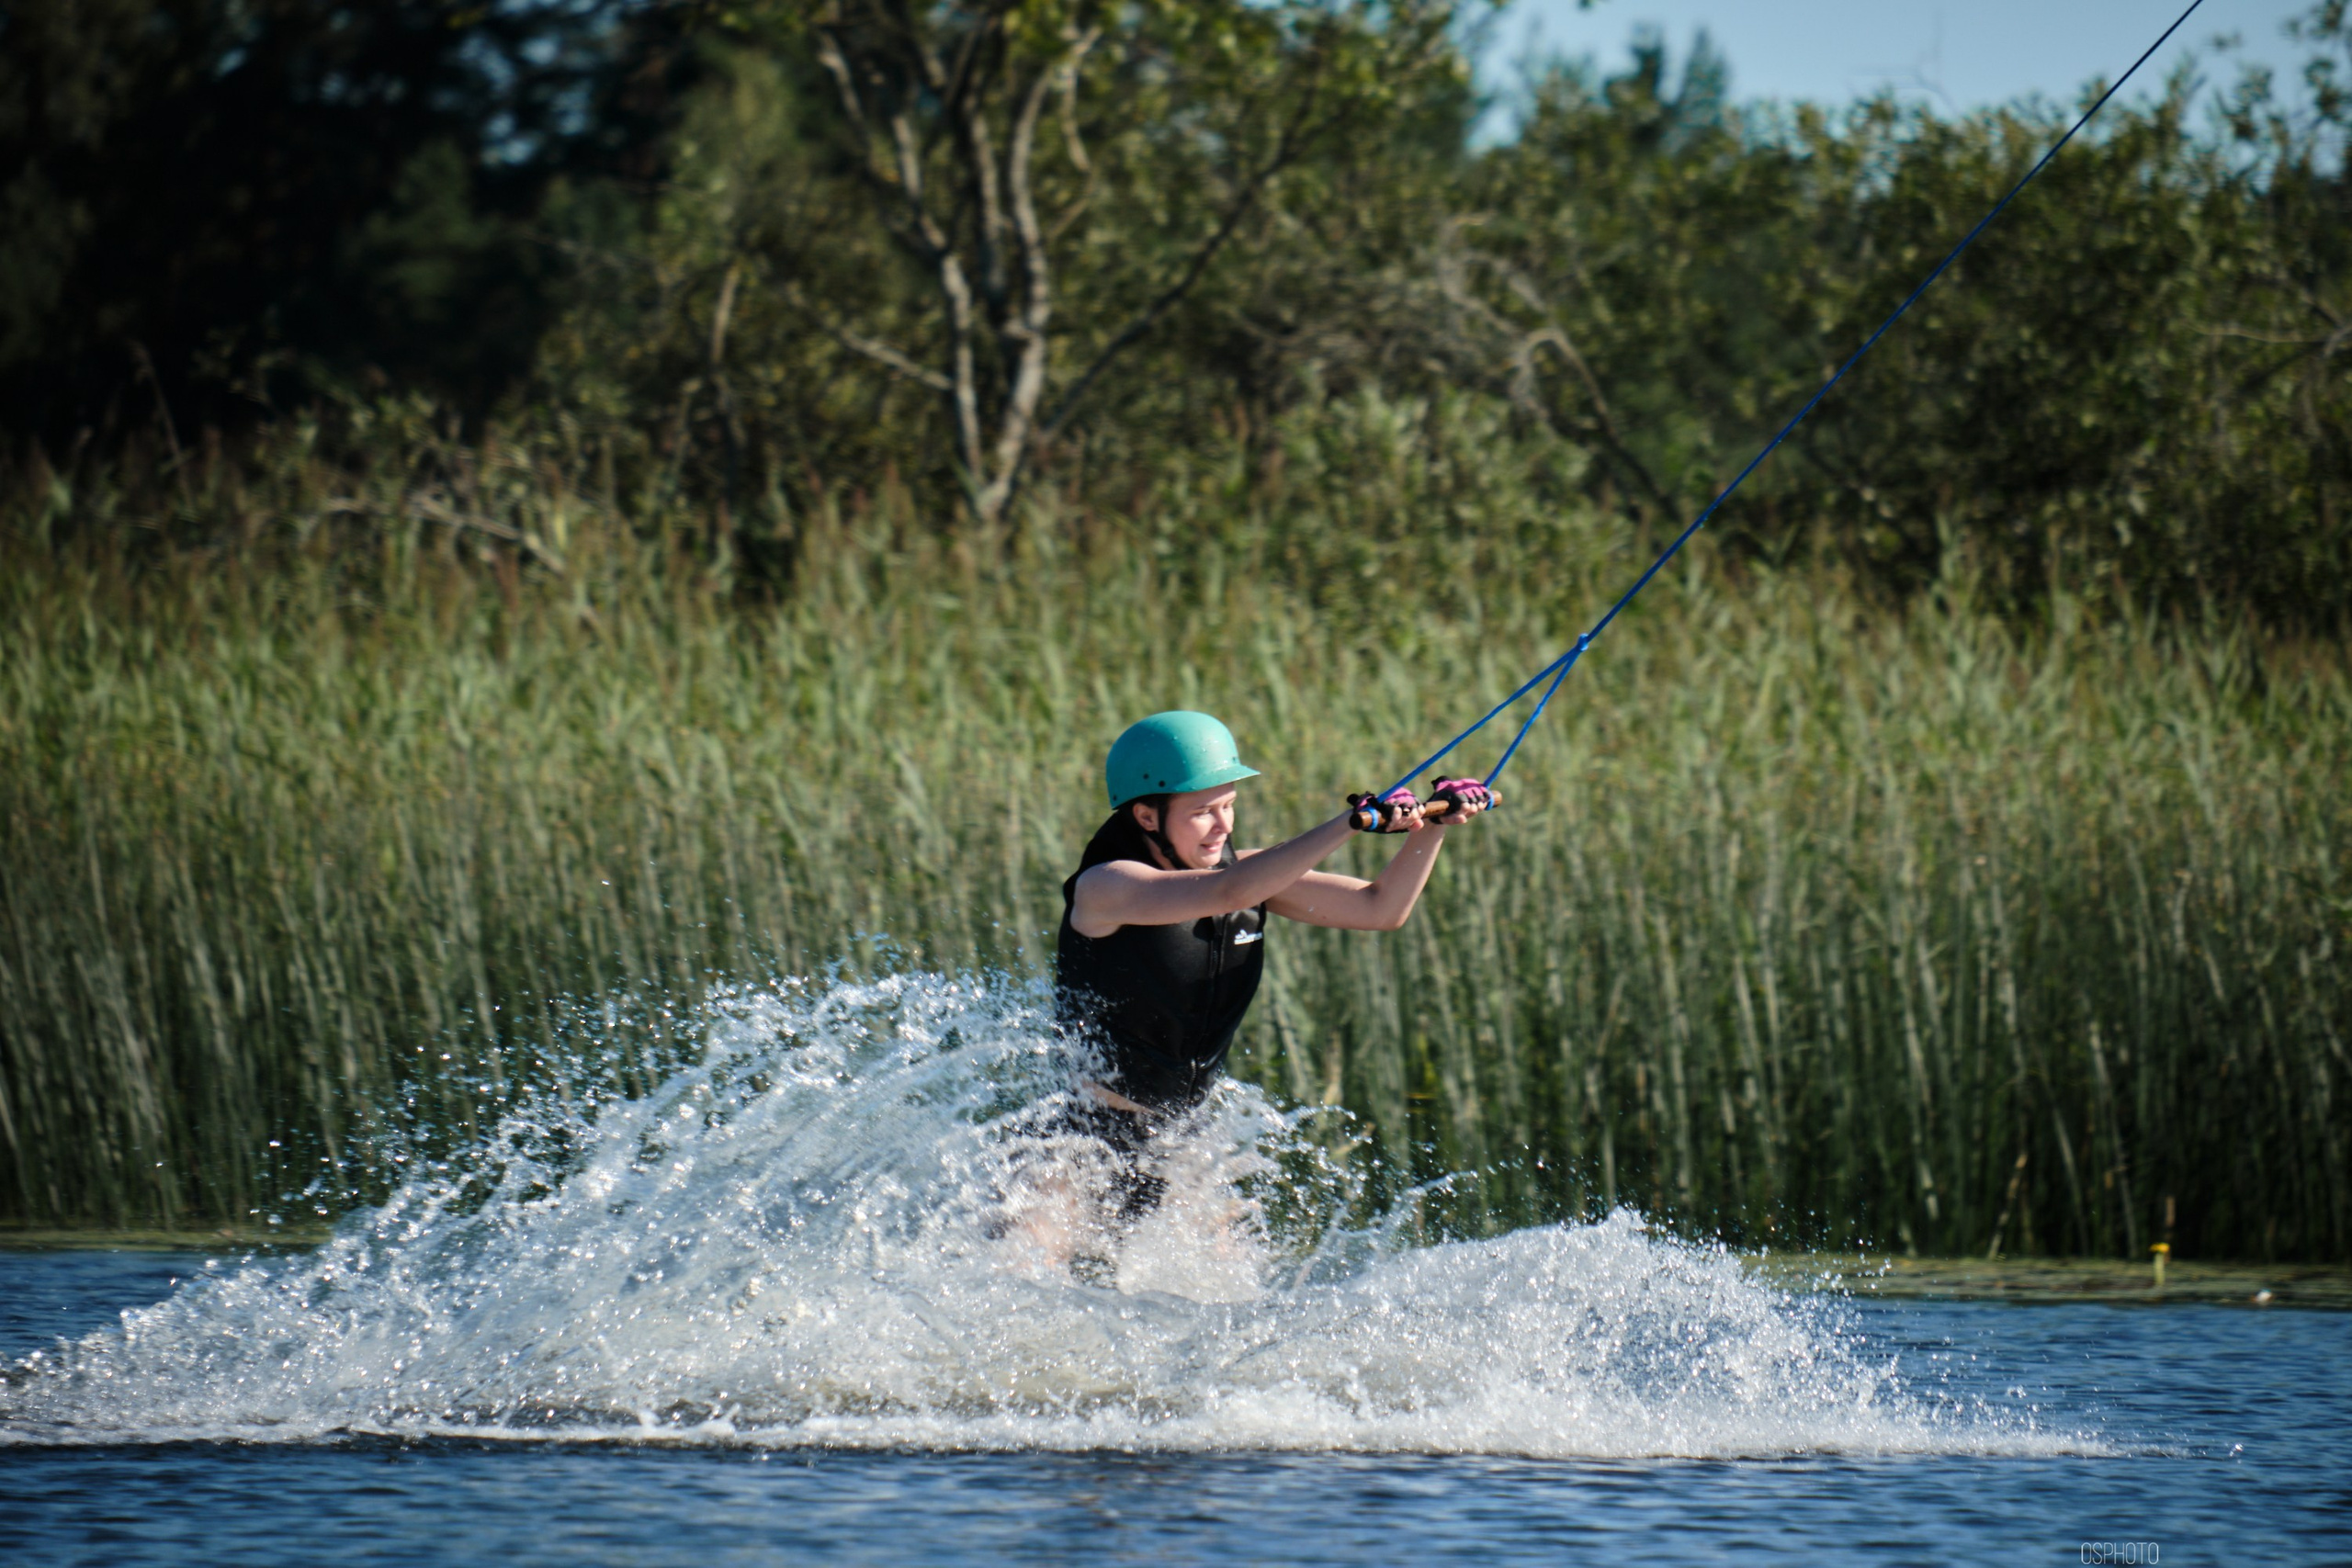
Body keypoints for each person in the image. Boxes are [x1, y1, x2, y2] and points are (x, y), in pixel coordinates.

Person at [1046, 709, 1492, 1229]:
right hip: (1083, 1147)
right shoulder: (1107, 887)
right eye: (1203, 812)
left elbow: (1381, 908)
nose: (1223, 827)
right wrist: (1349, 823)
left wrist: (1431, 827)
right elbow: (1226, 892)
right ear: (1147, 817)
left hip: (1183, 1147)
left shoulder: (1251, 878)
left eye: (1230, 806)